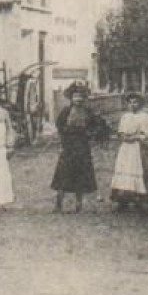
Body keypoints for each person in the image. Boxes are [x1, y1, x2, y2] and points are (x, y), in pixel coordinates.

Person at [51, 82, 100, 213]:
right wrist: (65, 133)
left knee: (80, 174)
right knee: (63, 174)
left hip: (83, 145)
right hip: (68, 145)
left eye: (80, 96)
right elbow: (59, 125)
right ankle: (58, 204)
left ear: (84, 98)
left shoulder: (88, 112)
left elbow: (96, 125)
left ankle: (79, 204)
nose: (78, 99)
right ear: (71, 98)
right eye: (75, 96)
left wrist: (90, 133)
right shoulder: (66, 111)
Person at [109, 93, 148, 211]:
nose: (132, 105)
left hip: (138, 147)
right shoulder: (125, 116)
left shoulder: (145, 117)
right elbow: (120, 132)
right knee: (124, 171)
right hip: (126, 148)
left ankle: (139, 200)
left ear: (140, 103)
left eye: (135, 102)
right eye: (130, 102)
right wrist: (123, 137)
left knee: (138, 170)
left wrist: (136, 137)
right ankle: (123, 200)